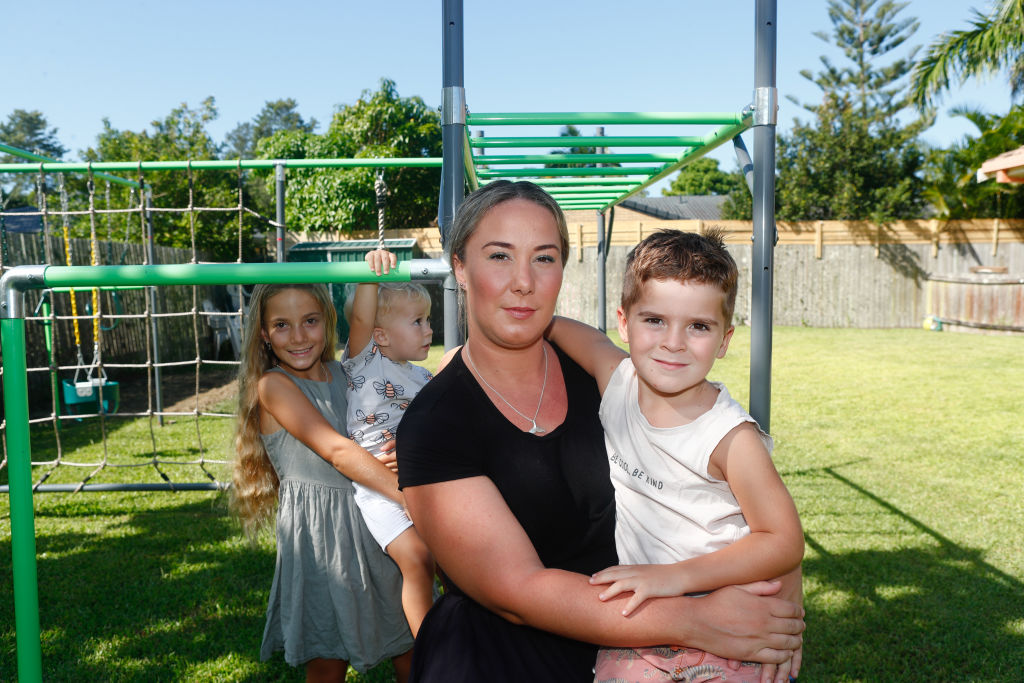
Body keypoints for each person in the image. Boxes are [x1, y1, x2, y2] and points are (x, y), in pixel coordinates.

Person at [395, 180, 804, 683]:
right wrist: (698, 622)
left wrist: (781, 612)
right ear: (460, 266)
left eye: (544, 259)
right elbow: (517, 591)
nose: (523, 281)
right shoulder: (436, 424)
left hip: (644, 625)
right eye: (499, 256)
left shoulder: (611, 379)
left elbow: (758, 517)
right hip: (506, 656)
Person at [547, 228, 804, 683]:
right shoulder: (617, 380)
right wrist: (476, 348)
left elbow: (783, 540)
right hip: (643, 621)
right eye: (655, 320)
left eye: (699, 326)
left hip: (731, 620)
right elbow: (569, 331)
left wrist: (676, 577)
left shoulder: (728, 437)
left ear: (724, 339)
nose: (673, 342)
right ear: (624, 322)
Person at [231, 282, 413, 683]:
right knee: (328, 659)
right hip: (322, 540)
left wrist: (368, 274)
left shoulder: (345, 372)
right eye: (281, 325)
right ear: (263, 333)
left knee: (412, 644)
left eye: (310, 321)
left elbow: (363, 323)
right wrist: (408, 498)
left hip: (374, 523)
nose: (298, 336)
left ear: (328, 322)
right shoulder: (274, 386)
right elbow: (337, 450)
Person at [342, 251, 436, 636]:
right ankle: (431, 647)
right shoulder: (366, 362)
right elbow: (362, 318)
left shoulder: (424, 376)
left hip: (421, 481)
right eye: (418, 322)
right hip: (378, 488)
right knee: (417, 558)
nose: (429, 330)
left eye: (427, 320)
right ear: (380, 336)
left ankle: (461, 629)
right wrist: (371, 273)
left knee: (451, 556)